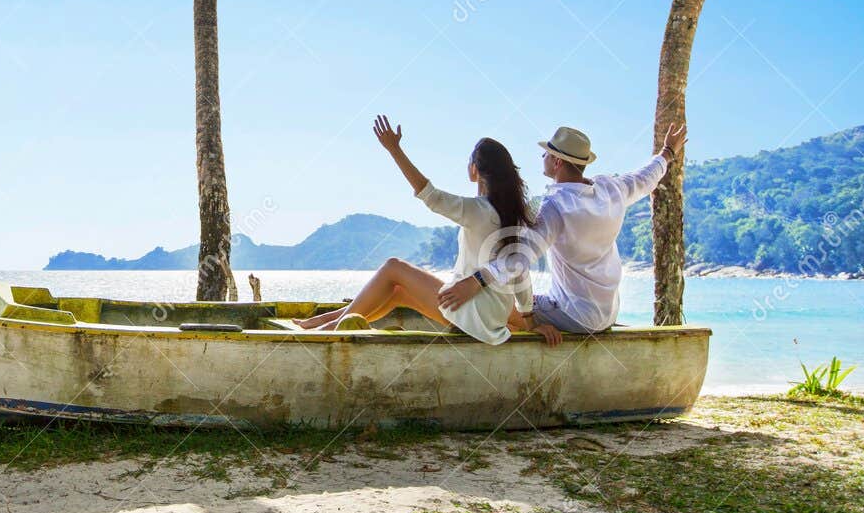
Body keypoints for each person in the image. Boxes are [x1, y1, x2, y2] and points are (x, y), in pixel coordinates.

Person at [295, 115, 543, 344]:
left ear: (475, 170)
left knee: (393, 267)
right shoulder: (515, 215)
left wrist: (395, 150)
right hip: (490, 313)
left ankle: (329, 329)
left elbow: (430, 196)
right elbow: (521, 274)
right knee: (399, 292)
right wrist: (530, 320)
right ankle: (328, 322)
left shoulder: (479, 209)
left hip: (472, 312)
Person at [438, 123, 688, 344]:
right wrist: (667, 153)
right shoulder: (611, 188)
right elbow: (646, 178)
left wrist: (476, 281)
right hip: (606, 312)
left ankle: (517, 341)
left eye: (547, 153)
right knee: (522, 300)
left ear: (557, 162)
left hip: (575, 316)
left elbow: (519, 258)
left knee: (505, 303)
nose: (543, 155)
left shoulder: (556, 207)